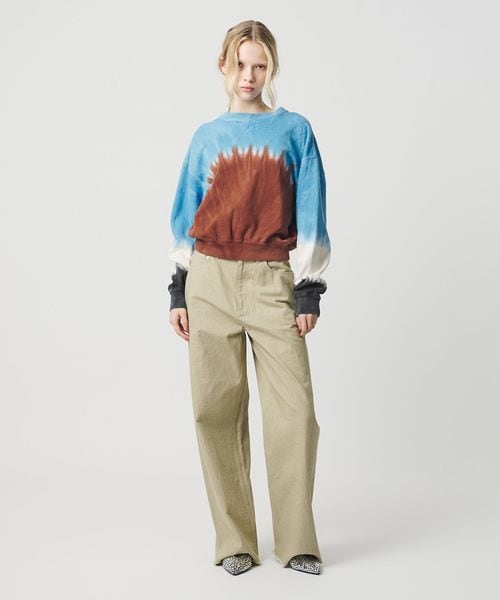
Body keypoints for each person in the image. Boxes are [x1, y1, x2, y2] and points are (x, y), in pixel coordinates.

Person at [167, 20, 332, 576]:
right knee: (215, 409)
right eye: (240, 64)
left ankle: (297, 540)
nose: (249, 75)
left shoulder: (294, 131)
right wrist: (178, 289)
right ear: (223, 65)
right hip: (208, 279)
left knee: (295, 412)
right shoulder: (206, 137)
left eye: (259, 65)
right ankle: (234, 539)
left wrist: (308, 289)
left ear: (272, 68)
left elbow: (311, 207)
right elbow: (186, 213)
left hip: (270, 279)